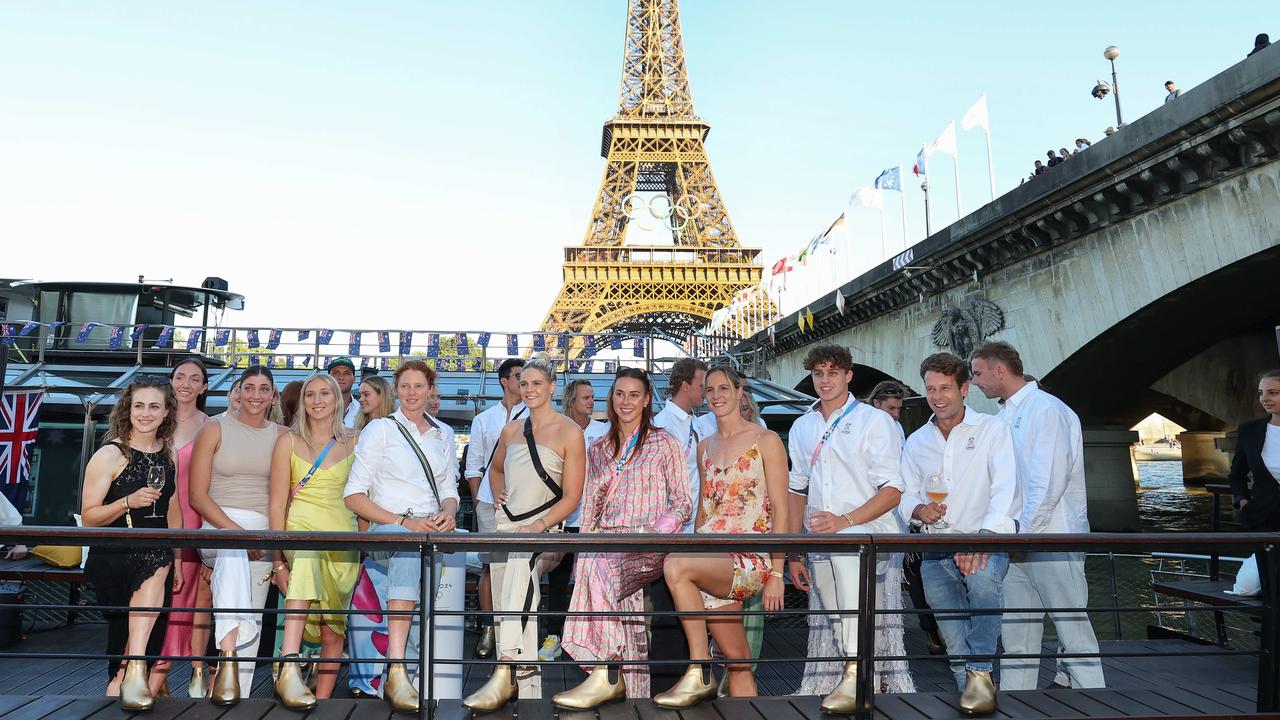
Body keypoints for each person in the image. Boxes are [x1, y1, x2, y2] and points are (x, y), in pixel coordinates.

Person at [554, 368, 693, 709]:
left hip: (650, 543)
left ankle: (605, 670)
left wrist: (661, 528)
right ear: (611, 398)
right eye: (620, 394)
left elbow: (684, 501)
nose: (626, 401)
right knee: (624, 617)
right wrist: (584, 552)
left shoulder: (664, 442)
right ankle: (634, 699)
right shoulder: (598, 448)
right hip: (607, 544)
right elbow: (590, 508)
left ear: (647, 400)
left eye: (634, 395)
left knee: (601, 573)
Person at [969, 341, 1104, 691]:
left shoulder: (1047, 410)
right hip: (1014, 541)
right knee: (1017, 635)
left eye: (978, 373)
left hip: (1052, 537)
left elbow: (1048, 482)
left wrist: (1022, 535)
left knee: (1072, 630)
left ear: (1000, 370)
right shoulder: (1002, 416)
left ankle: (1096, 703)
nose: (975, 381)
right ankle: (1017, 704)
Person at [654, 365, 789, 707]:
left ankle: (699, 669)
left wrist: (776, 573)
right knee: (739, 661)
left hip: (750, 558)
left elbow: (782, 511)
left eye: (724, 388)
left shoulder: (766, 441)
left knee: (675, 566)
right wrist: (697, 547)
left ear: (739, 391)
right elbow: (704, 511)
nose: (716, 396)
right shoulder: (705, 447)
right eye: (710, 389)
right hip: (712, 559)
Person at [786, 345, 907, 713]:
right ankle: (856, 675)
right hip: (822, 537)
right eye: (819, 374)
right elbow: (797, 489)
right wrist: (794, 550)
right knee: (838, 613)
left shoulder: (876, 421)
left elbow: (893, 490)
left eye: (833, 373)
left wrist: (846, 521)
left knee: (853, 609)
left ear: (848, 376)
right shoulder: (803, 425)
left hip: (865, 535)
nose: (825, 381)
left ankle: (856, 678)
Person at [900, 352, 1021, 715]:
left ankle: (982, 674)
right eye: (930, 389)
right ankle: (971, 701)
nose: (937, 396)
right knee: (954, 645)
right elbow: (905, 493)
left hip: (984, 541)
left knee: (984, 588)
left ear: (964, 389)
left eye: (945, 388)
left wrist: (982, 540)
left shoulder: (992, 430)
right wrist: (919, 510)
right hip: (935, 548)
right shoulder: (916, 441)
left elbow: (1007, 489)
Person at [463, 359, 586, 710]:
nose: (529, 389)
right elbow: (495, 469)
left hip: (542, 529)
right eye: (524, 383)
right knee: (508, 602)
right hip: (507, 526)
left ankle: (506, 671)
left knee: (519, 591)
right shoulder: (511, 431)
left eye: (536, 383)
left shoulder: (569, 433)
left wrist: (541, 526)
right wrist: (499, 495)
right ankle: (521, 686)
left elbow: (573, 496)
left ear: (551, 386)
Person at [343, 360, 459, 713]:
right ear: (396, 390)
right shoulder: (380, 430)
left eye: (419, 386)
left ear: (430, 390)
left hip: (431, 531)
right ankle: (396, 669)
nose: (411, 393)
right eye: (405, 386)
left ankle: (402, 680)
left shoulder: (444, 434)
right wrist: (405, 522)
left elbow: (448, 489)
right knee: (411, 556)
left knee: (421, 601)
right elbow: (354, 495)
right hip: (392, 529)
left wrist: (450, 513)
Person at [82, 376, 183, 710]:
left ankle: (125, 675)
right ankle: (130, 672)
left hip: (157, 551)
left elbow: (174, 510)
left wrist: (180, 559)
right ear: (128, 408)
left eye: (154, 406)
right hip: (115, 553)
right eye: (139, 405)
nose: (145, 413)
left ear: (167, 411)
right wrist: (127, 502)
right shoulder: (110, 454)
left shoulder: (169, 455)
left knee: (158, 559)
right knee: (153, 563)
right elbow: (90, 517)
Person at [189, 365, 287, 706]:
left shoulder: (283, 435)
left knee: (254, 611)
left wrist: (270, 545)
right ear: (239, 391)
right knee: (231, 552)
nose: (256, 395)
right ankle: (227, 655)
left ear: (273, 396)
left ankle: (236, 695)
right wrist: (237, 533)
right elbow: (197, 496)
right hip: (219, 527)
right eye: (249, 387)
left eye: (264, 388)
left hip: (263, 534)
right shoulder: (214, 428)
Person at [267, 373, 360, 708]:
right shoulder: (287, 442)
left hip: (343, 536)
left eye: (325, 394)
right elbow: (277, 503)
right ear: (302, 401)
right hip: (300, 527)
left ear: (337, 399)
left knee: (333, 627)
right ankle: (289, 668)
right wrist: (277, 560)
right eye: (311, 395)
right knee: (305, 560)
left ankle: (322, 701)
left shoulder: (356, 441)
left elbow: (364, 496)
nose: (318, 401)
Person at [152, 359, 214, 699]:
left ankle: (166, 673)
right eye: (179, 377)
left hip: (193, 524)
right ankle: (148, 671)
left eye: (195, 379)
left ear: (204, 387)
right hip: (151, 521)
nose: (186, 384)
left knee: (185, 602)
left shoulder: (212, 427)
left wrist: (209, 541)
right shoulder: (152, 418)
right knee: (150, 599)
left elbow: (215, 486)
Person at [541, 379, 608, 663]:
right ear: (571, 400)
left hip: (594, 521)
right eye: (585, 398)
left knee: (592, 582)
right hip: (562, 518)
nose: (591, 402)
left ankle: (590, 641)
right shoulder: (558, 430)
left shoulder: (604, 432)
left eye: (593, 397)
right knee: (557, 581)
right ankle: (554, 636)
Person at [465, 358, 527, 659]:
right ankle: (491, 627)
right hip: (490, 503)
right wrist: (479, 501)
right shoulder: (484, 420)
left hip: (527, 504)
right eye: (519, 376)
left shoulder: (537, 416)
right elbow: (473, 465)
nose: (524, 382)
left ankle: (514, 629)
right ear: (504, 380)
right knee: (491, 566)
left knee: (520, 568)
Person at [1228, 370, 1280, 530]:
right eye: (1261, 393)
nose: (1264, 399)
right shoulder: (1249, 430)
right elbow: (1236, 474)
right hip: (1262, 518)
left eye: (1273, 393)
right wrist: (1243, 501)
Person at [327, 357, 360, 427]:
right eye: (336, 373)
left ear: (354, 379)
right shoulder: (318, 408)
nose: (341, 377)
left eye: (346, 373)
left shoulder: (362, 410)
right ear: (328, 378)